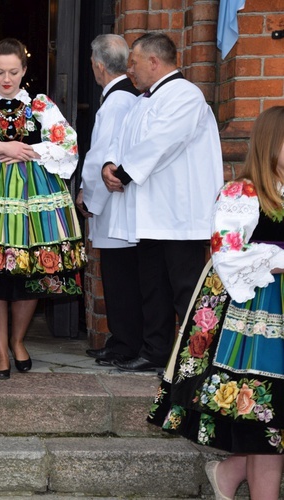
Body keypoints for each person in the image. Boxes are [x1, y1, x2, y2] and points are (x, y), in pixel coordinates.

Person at [148, 106, 284, 500]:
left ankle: (229, 472)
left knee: (271, 415)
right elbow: (228, 253)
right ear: (269, 144)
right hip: (251, 313)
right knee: (263, 412)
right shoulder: (241, 193)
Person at [102, 33, 223, 372]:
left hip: (179, 213)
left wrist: (124, 173)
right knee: (152, 287)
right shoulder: (142, 101)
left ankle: (195, 359)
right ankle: (155, 352)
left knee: (184, 290)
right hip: (150, 214)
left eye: (134, 64)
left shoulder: (186, 95)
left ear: (154, 62)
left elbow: (162, 142)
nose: (130, 72)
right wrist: (109, 167)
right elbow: (121, 141)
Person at [0, 38, 83, 380]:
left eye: (14, 71)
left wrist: (28, 151)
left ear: (24, 70)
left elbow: (68, 142)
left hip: (34, 200)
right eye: (0, 72)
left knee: (29, 272)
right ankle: (1, 352)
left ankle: (18, 341)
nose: (7, 79)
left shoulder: (40, 105)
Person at [76, 34, 142, 366]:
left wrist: (88, 197)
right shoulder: (127, 96)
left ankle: (124, 344)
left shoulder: (116, 101)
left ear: (98, 66)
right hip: (120, 199)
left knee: (119, 279)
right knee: (122, 277)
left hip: (114, 202)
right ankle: (121, 340)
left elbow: (100, 156)